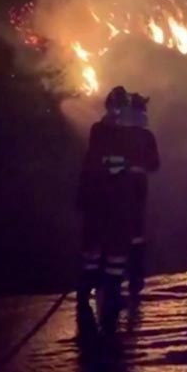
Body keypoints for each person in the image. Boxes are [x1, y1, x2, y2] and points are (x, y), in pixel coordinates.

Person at [76, 86, 137, 331]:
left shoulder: (124, 133)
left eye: (120, 107)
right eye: (115, 107)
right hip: (103, 199)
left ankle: (109, 294)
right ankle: (86, 292)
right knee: (94, 250)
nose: (117, 111)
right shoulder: (101, 131)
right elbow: (99, 163)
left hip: (115, 201)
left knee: (115, 251)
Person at [118, 93, 160, 296]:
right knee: (135, 229)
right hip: (137, 184)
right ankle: (135, 276)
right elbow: (154, 165)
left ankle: (116, 278)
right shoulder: (146, 136)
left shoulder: (117, 135)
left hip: (119, 183)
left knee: (120, 227)